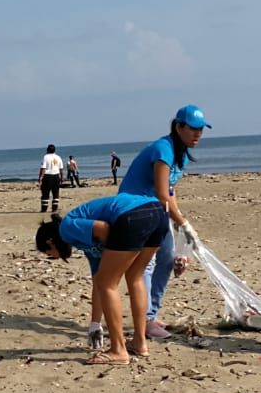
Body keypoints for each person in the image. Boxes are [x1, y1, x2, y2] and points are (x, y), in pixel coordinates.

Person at [35, 193, 168, 365]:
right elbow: (97, 283)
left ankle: (118, 350)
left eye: (49, 254)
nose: (54, 257)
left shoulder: (66, 228)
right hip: (158, 211)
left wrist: (113, 253)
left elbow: (103, 228)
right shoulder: (86, 244)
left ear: (50, 242)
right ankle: (139, 342)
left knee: (109, 284)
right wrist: (95, 324)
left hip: (132, 216)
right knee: (134, 277)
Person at [116, 105, 209, 339]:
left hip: (157, 210)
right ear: (179, 126)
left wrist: (178, 222)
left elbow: (170, 190)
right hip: (136, 209)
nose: (198, 134)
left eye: (201, 129)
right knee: (146, 264)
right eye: (193, 129)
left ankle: (151, 313)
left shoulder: (182, 153)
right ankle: (145, 321)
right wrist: (184, 223)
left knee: (167, 259)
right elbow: (160, 193)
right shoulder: (163, 149)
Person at [39, 144, 64, 213]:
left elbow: (43, 168)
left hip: (47, 176)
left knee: (45, 193)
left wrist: (40, 177)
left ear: (47, 150)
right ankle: (54, 208)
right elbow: (61, 169)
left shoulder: (46, 157)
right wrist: (62, 177)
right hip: (56, 176)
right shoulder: (58, 157)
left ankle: (44, 209)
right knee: (56, 193)